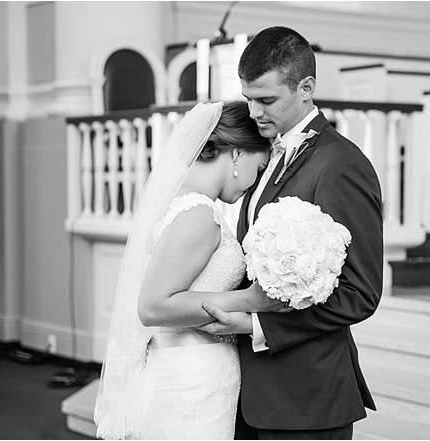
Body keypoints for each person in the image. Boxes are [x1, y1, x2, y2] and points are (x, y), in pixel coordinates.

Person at [199, 26, 384, 440]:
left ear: (306, 87)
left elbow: (361, 294)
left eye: (267, 100)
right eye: (249, 99)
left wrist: (257, 326)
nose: (254, 113)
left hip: (306, 399)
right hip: (249, 393)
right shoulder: (266, 154)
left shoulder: (340, 165)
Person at [94, 101, 285, 440]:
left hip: (186, 368)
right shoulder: (198, 213)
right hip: (192, 379)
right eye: (260, 167)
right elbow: (153, 306)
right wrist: (251, 299)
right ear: (238, 155)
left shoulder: (183, 202)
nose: (254, 183)